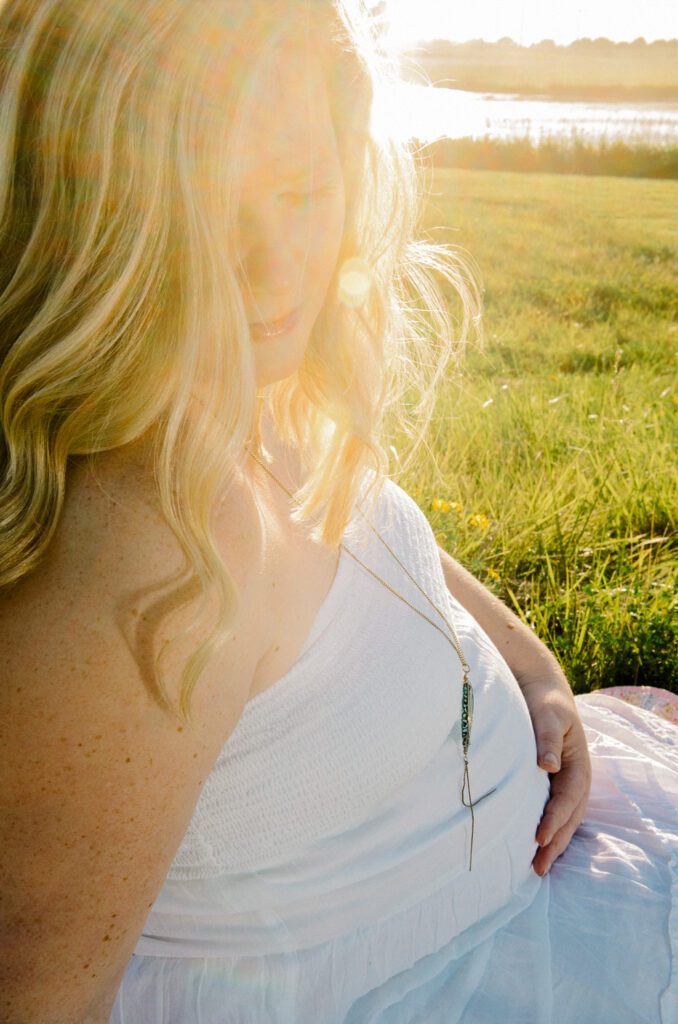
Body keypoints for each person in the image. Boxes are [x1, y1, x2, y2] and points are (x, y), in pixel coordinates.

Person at [0, 2, 675, 1022]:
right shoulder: (147, 544)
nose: (280, 271)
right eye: (212, 212)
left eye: (303, 191)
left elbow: (369, 537)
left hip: (527, 865)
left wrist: (535, 671)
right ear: (94, 217)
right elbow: (43, 999)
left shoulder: (235, 390)